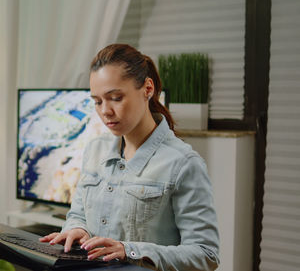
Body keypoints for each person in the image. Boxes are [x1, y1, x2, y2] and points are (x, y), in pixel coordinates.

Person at [39, 44, 220, 270]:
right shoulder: (95, 150)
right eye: (97, 101)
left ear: (147, 89)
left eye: (115, 97)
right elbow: (78, 214)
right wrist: (77, 229)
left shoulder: (183, 163)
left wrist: (130, 251)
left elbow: (206, 254)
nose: (105, 111)